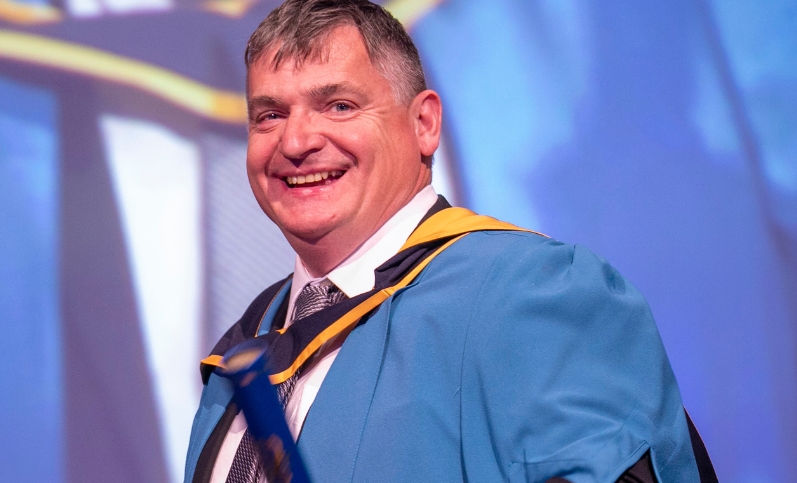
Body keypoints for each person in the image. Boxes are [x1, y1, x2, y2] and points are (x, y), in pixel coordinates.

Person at [183, 0, 717, 482]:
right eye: (270, 115)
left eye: (339, 105)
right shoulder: (250, 345)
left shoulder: (532, 293)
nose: (295, 142)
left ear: (425, 123)